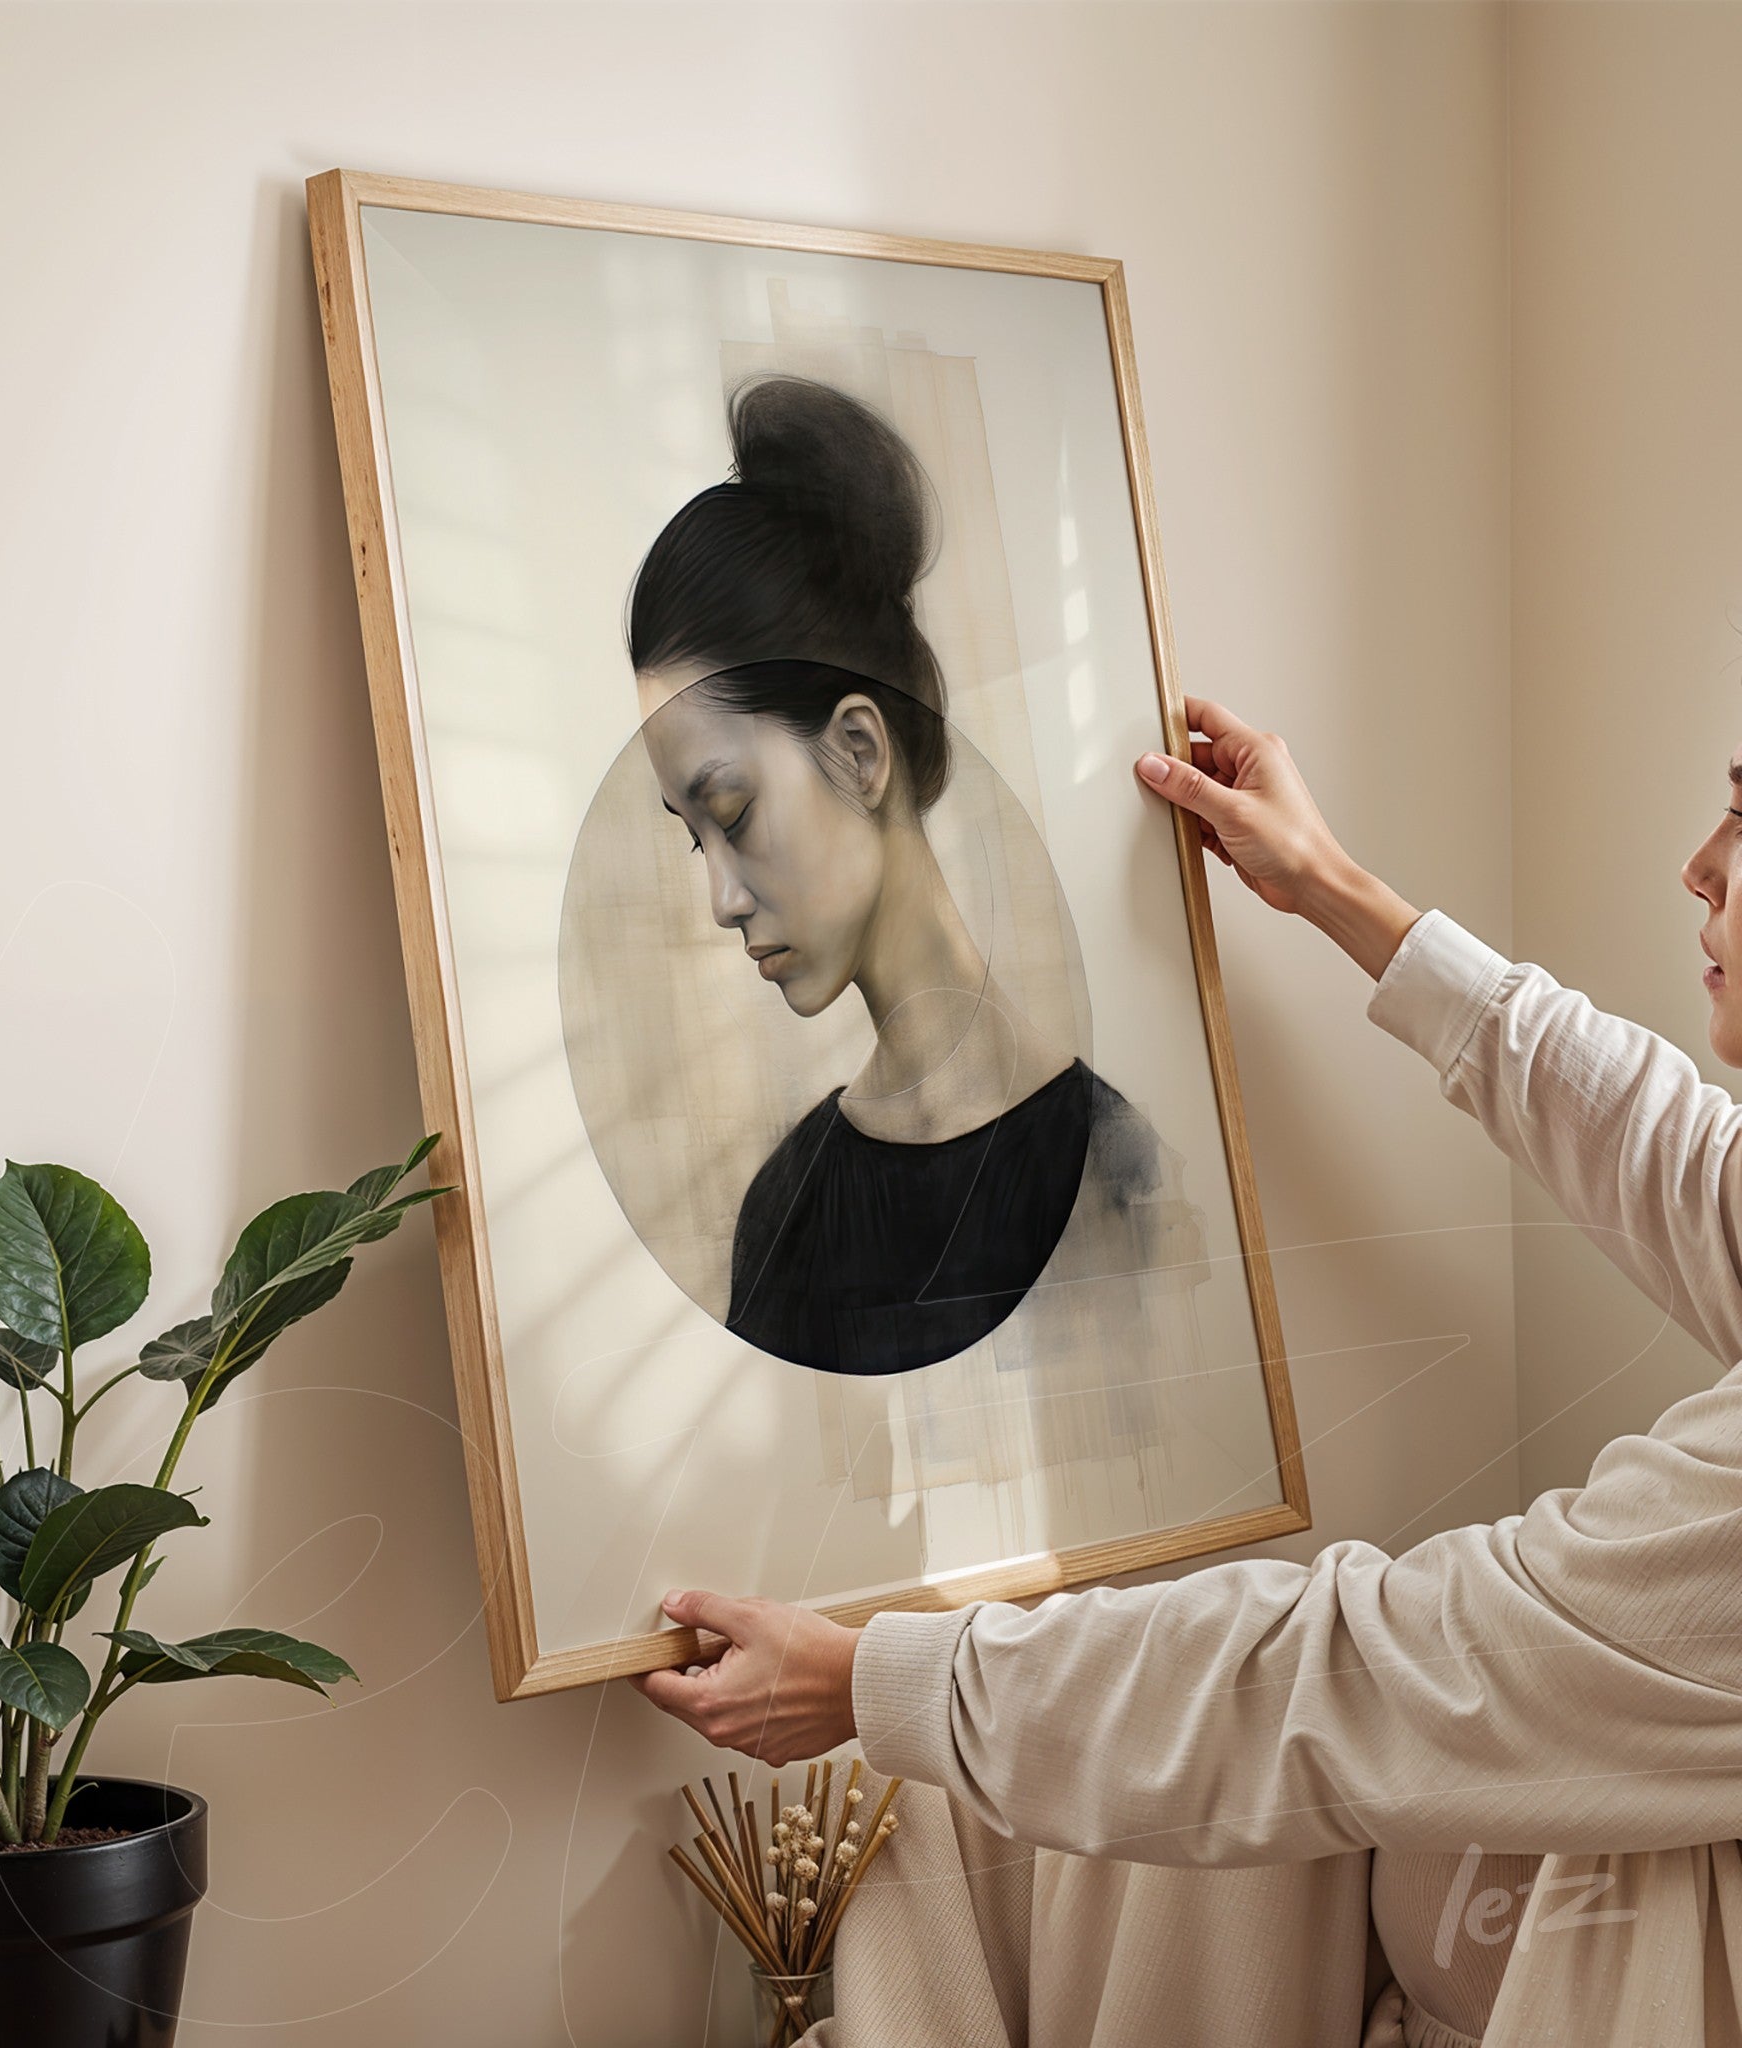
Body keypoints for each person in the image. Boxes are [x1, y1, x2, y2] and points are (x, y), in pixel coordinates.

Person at [629, 695, 1742, 2048]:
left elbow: (1358, 1682)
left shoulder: (1098, 1165)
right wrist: (1333, 888)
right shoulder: (788, 1205)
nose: (1701, 861)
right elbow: (1676, 1152)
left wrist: (872, 1685)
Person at [627, 374, 1157, 1375]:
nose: (722, 899)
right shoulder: (786, 1210)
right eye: (696, 836)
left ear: (859, 754)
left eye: (733, 813)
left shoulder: (1114, 1170)